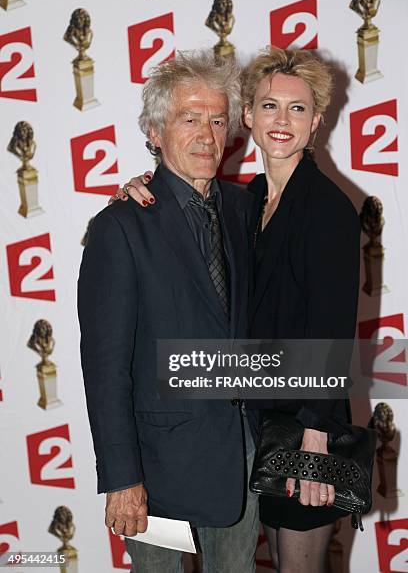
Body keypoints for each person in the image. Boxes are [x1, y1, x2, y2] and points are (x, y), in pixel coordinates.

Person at [115, 46, 360, 573]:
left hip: (304, 427)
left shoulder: (326, 208)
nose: (281, 121)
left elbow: (335, 332)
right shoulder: (246, 202)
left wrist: (316, 438)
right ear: (248, 116)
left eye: (298, 109)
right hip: (254, 428)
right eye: (270, 106)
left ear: (316, 121)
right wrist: (140, 185)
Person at [77, 50, 259, 573]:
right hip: (152, 471)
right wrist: (121, 479)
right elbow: (106, 369)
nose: (207, 135)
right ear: (155, 131)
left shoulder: (243, 208)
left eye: (218, 120)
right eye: (190, 118)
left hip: (238, 459)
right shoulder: (120, 229)